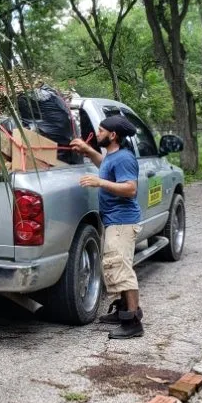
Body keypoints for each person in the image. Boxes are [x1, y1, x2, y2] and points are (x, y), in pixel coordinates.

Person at [71, 115, 143, 339]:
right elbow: (105, 166)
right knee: (114, 266)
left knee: (122, 271)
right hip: (115, 221)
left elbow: (130, 189)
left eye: (101, 131)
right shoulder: (113, 156)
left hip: (122, 221)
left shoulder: (124, 158)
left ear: (113, 136)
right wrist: (88, 150)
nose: (98, 134)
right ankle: (123, 310)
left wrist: (99, 182)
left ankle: (132, 322)